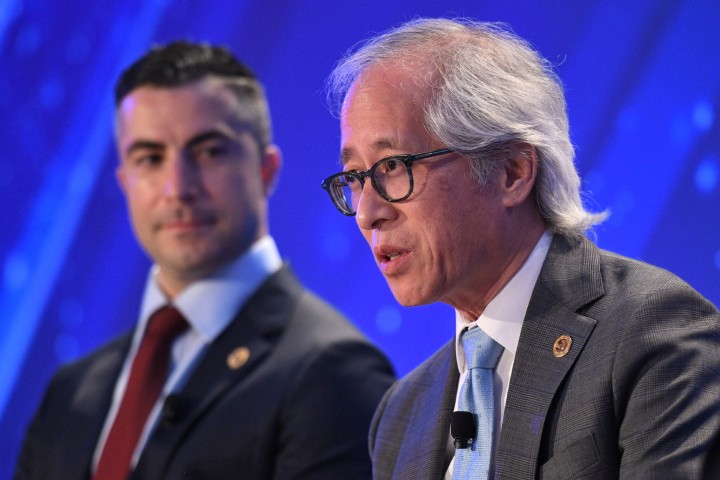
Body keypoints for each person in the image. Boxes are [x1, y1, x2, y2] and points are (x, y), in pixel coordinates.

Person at [321, 18, 720, 479]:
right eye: (354, 178)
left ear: (512, 171)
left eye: (392, 166)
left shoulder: (653, 334)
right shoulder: (401, 415)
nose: (367, 213)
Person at [16, 41, 395, 480]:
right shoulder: (69, 391)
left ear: (266, 169)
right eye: (150, 158)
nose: (178, 188)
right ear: (124, 182)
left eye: (209, 151)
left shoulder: (336, 372)